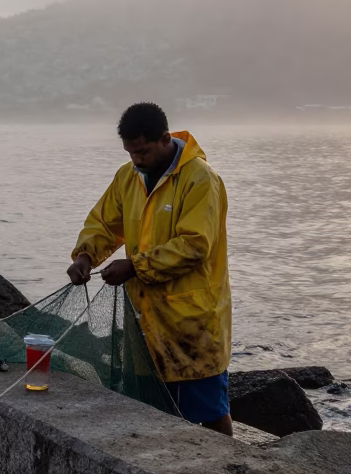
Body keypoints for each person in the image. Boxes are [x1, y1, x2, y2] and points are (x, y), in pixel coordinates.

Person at [66, 102, 233, 436]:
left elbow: (195, 245)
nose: (135, 160)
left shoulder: (201, 179)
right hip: (143, 319)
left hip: (191, 323)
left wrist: (135, 266)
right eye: (130, 152)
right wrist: (85, 256)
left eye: (141, 151)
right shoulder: (128, 177)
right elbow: (104, 223)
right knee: (152, 409)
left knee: (210, 412)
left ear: (164, 138)